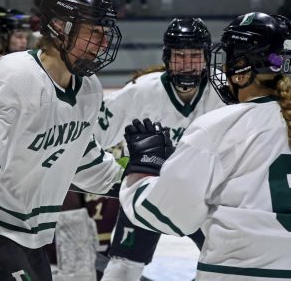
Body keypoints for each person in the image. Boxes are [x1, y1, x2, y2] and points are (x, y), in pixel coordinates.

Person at [118, 12, 291, 280]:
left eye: (229, 59)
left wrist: (143, 172)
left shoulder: (215, 127)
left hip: (242, 272)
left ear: (241, 70)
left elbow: (167, 215)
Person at [0, 0, 123, 280]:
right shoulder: (19, 74)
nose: (102, 42)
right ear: (60, 27)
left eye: (105, 33)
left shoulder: (89, 90)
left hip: (30, 235)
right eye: (94, 31)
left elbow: (84, 159)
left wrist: (132, 175)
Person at [96, 17, 224, 280]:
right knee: (122, 269)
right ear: (167, 57)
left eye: (194, 56)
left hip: (205, 197)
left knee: (225, 266)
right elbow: (94, 133)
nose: (187, 64)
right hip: (150, 192)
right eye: (179, 55)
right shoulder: (141, 91)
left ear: (206, 57)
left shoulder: (225, 91)